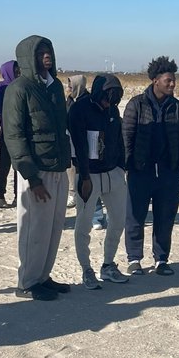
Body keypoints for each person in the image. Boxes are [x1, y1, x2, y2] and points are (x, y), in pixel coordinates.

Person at [2, 35, 71, 300]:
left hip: (58, 166)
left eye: (49, 50)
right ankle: (27, 282)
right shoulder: (19, 89)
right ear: (28, 57)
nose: (47, 55)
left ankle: (43, 276)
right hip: (36, 170)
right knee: (34, 228)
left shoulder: (53, 87)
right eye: (41, 51)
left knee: (53, 227)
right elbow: (14, 136)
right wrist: (31, 176)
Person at [122, 56, 179, 276]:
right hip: (141, 171)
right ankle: (134, 258)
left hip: (169, 172)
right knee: (135, 216)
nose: (172, 84)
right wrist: (130, 165)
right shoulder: (136, 104)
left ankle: (161, 259)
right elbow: (127, 138)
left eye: (174, 80)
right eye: (168, 80)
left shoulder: (177, 108)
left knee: (165, 217)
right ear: (155, 80)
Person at [68, 74, 131, 289]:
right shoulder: (79, 109)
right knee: (84, 224)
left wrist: (121, 167)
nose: (108, 105)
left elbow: (119, 140)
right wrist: (84, 176)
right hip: (88, 175)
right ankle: (86, 268)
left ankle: (108, 265)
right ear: (98, 93)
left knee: (118, 221)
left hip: (113, 173)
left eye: (113, 101)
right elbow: (78, 145)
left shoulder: (112, 110)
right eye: (106, 99)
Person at [0, 60, 19, 208]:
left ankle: (17, 195)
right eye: (14, 70)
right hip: (6, 130)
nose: (17, 72)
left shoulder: (21, 85)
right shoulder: (0, 87)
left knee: (18, 165)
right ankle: (1, 195)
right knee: (3, 164)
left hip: (20, 132)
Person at [65, 74, 88, 208]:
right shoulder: (69, 100)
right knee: (71, 168)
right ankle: (72, 193)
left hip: (83, 139)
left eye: (70, 86)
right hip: (69, 138)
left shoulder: (86, 101)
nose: (68, 89)